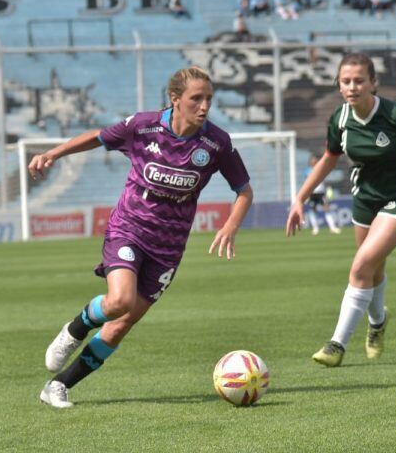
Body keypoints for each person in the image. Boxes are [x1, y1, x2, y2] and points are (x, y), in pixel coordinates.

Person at [31, 66, 254, 408]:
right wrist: (53, 154)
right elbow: (98, 137)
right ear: (175, 99)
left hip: (168, 249)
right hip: (129, 229)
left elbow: (243, 191)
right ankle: (74, 330)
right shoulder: (143, 126)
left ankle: (58, 386)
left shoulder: (216, 143)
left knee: (121, 325)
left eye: (209, 98)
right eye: (196, 99)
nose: (204, 106)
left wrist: (231, 225)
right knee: (119, 300)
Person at [286, 52, 396, 367]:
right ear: (339, 86)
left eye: (359, 80)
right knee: (373, 269)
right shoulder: (340, 120)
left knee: (360, 268)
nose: (353, 86)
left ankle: (336, 345)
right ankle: (378, 322)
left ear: (373, 83)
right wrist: (300, 197)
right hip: (365, 199)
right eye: (346, 81)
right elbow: (329, 158)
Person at [303, 154, 340, 235]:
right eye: (312, 160)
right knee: (312, 210)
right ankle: (315, 228)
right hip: (312, 193)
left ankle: (332, 227)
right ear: (310, 162)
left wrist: (328, 189)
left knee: (326, 209)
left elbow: (325, 180)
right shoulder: (307, 171)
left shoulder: (321, 168)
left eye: (315, 160)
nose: (314, 161)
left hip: (321, 193)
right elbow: (306, 183)